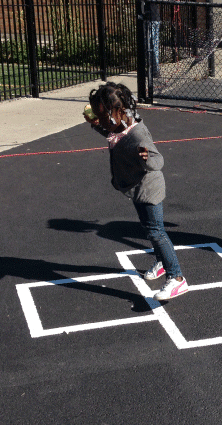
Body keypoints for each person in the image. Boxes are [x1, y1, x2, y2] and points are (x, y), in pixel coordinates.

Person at [84, 82, 187, 300]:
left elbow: (158, 161)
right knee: (149, 227)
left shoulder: (138, 135)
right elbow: (112, 134)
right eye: (99, 117)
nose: (102, 122)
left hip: (149, 189)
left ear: (120, 112)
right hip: (136, 187)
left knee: (156, 231)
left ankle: (177, 278)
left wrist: (146, 157)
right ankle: (161, 262)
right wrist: (96, 125)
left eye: (104, 118)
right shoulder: (120, 125)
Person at [119, 0, 161, 78]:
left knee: (150, 45)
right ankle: (154, 69)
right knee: (154, 44)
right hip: (155, 17)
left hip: (150, 18)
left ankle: (154, 71)